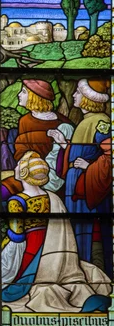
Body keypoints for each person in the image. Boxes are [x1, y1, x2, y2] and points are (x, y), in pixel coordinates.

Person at [1, 151, 111, 313]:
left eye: (18, 165)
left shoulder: (17, 201)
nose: (15, 167)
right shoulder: (53, 197)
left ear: (24, 173)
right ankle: (83, 295)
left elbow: (17, 237)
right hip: (55, 254)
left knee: (4, 287)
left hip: (29, 255)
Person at [48, 79, 111, 273]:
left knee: (88, 231)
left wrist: (89, 167)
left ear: (88, 99)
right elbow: (80, 153)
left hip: (87, 186)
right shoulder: (87, 122)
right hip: (76, 185)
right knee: (76, 230)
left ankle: (93, 272)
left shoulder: (101, 123)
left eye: (78, 93)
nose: (74, 95)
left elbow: (110, 155)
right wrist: (64, 144)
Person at [1, 79, 73, 200]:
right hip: (28, 172)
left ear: (34, 97)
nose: (19, 95)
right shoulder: (24, 120)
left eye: (23, 92)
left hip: (55, 177)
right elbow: (20, 148)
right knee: (3, 190)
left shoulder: (62, 123)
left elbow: (69, 153)